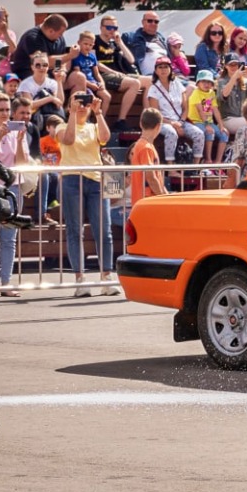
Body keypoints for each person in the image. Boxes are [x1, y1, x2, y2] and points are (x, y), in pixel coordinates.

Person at [58, 91, 117, 297]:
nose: (82, 105)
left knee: (104, 230)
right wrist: (73, 114)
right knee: (75, 230)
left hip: (96, 179)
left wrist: (98, 113)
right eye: (77, 101)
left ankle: (106, 277)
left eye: (86, 102)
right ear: (69, 105)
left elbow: (105, 138)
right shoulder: (61, 126)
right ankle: (80, 279)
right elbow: (68, 139)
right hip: (72, 179)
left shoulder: (93, 126)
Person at [0, 91, 29, 297]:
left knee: (9, 238)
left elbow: (22, 163)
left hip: (12, 188)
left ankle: (5, 282)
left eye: (8, 110)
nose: (5, 113)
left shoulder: (17, 132)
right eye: (1, 110)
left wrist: (20, 139)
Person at [93, 14, 147, 132]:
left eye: (115, 28)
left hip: (117, 75)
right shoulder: (95, 40)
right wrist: (112, 72)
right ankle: (121, 120)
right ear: (101, 27)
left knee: (150, 81)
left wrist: (120, 43)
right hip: (102, 76)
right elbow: (94, 62)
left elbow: (131, 60)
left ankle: (146, 119)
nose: (112, 30)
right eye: (109, 27)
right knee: (134, 83)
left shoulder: (114, 43)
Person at [147, 56, 204, 165]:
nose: (163, 69)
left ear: (170, 69)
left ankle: (196, 166)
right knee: (171, 133)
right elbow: (156, 114)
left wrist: (181, 122)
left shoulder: (177, 84)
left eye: (166, 67)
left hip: (180, 120)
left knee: (199, 134)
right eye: (160, 67)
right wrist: (173, 124)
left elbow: (185, 107)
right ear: (156, 70)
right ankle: (170, 166)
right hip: (163, 122)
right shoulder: (153, 89)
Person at [10, 13, 75, 80]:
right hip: (29, 73)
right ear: (51, 31)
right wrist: (70, 55)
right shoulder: (32, 38)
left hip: (50, 73)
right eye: (60, 33)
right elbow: (44, 62)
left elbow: (60, 58)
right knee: (42, 76)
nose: (61, 36)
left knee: (78, 77)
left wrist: (60, 71)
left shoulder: (59, 39)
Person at [71, 31, 113, 122]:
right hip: (85, 83)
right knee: (91, 99)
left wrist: (101, 83)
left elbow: (96, 73)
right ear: (79, 43)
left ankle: (101, 119)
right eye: (85, 44)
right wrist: (90, 85)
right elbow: (78, 75)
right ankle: (87, 119)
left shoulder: (92, 57)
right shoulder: (77, 57)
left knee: (107, 97)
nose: (88, 47)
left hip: (93, 81)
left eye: (90, 45)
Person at [188, 69, 228, 164]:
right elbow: (200, 110)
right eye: (204, 81)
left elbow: (215, 110)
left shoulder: (211, 93)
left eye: (209, 82)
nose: (207, 84)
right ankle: (208, 159)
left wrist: (221, 125)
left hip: (208, 121)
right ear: (198, 83)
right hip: (195, 121)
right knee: (210, 132)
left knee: (224, 134)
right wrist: (207, 125)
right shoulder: (196, 93)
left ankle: (218, 161)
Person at [129, 108, 166, 204]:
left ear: (141, 124)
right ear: (158, 126)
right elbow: (151, 177)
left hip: (144, 201)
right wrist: (163, 197)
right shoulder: (146, 147)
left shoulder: (142, 145)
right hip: (148, 201)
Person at [218, 53, 247, 139]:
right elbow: (224, 94)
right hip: (227, 119)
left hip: (241, 118)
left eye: (235, 64)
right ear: (226, 66)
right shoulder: (222, 81)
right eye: (230, 64)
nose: (233, 67)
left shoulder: (244, 81)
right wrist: (234, 77)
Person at [121, 11, 168, 76]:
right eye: (150, 21)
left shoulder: (161, 38)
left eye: (156, 22)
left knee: (186, 84)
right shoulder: (130, 37)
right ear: (143, 22)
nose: (153, 23)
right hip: (146, 76)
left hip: (166, 75)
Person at [0, 5, 17, 78]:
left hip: (4, 73)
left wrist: (5, 32)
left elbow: (12, 49)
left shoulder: (10, 33)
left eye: (1, 15)